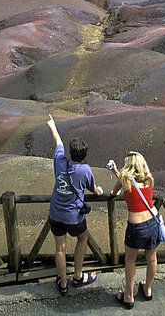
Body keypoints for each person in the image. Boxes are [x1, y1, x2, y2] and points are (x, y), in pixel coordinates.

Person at [47, 114, 103, 295]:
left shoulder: (59, 161)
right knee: (82, 238)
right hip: (74, 216)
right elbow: (93, 188)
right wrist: (98, 190)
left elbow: (58, 141)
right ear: (84, 154)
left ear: (71, 153)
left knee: (60, 248)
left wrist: (53, 126)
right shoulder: (85, 170)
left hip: (55, 214)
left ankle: (63, 283)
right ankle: (78, 276)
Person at [109, 151, 159, 309]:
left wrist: (116, 172)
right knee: (151, 259)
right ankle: (148, 289)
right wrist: (116, 173)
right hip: (153, 223)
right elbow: (133, 185)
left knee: (130, 261)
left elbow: (114, 193)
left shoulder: (125, 179)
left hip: (136, 227)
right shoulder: (149, 180)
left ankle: (129, 297)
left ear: (128, 165)